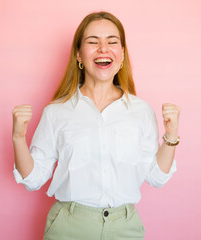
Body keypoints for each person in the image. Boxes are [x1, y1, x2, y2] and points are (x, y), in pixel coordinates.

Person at [12, 11, 180, 240]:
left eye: (112, 42)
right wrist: (18, 139)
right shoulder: (56, 112)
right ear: (79, 55)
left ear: (121, 55)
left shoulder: (141, 111)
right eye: (93, 42)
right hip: (69, 227)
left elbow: (156, 177)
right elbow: (33, 180)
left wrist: (171, 136)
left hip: (125, 228)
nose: (103, 48)